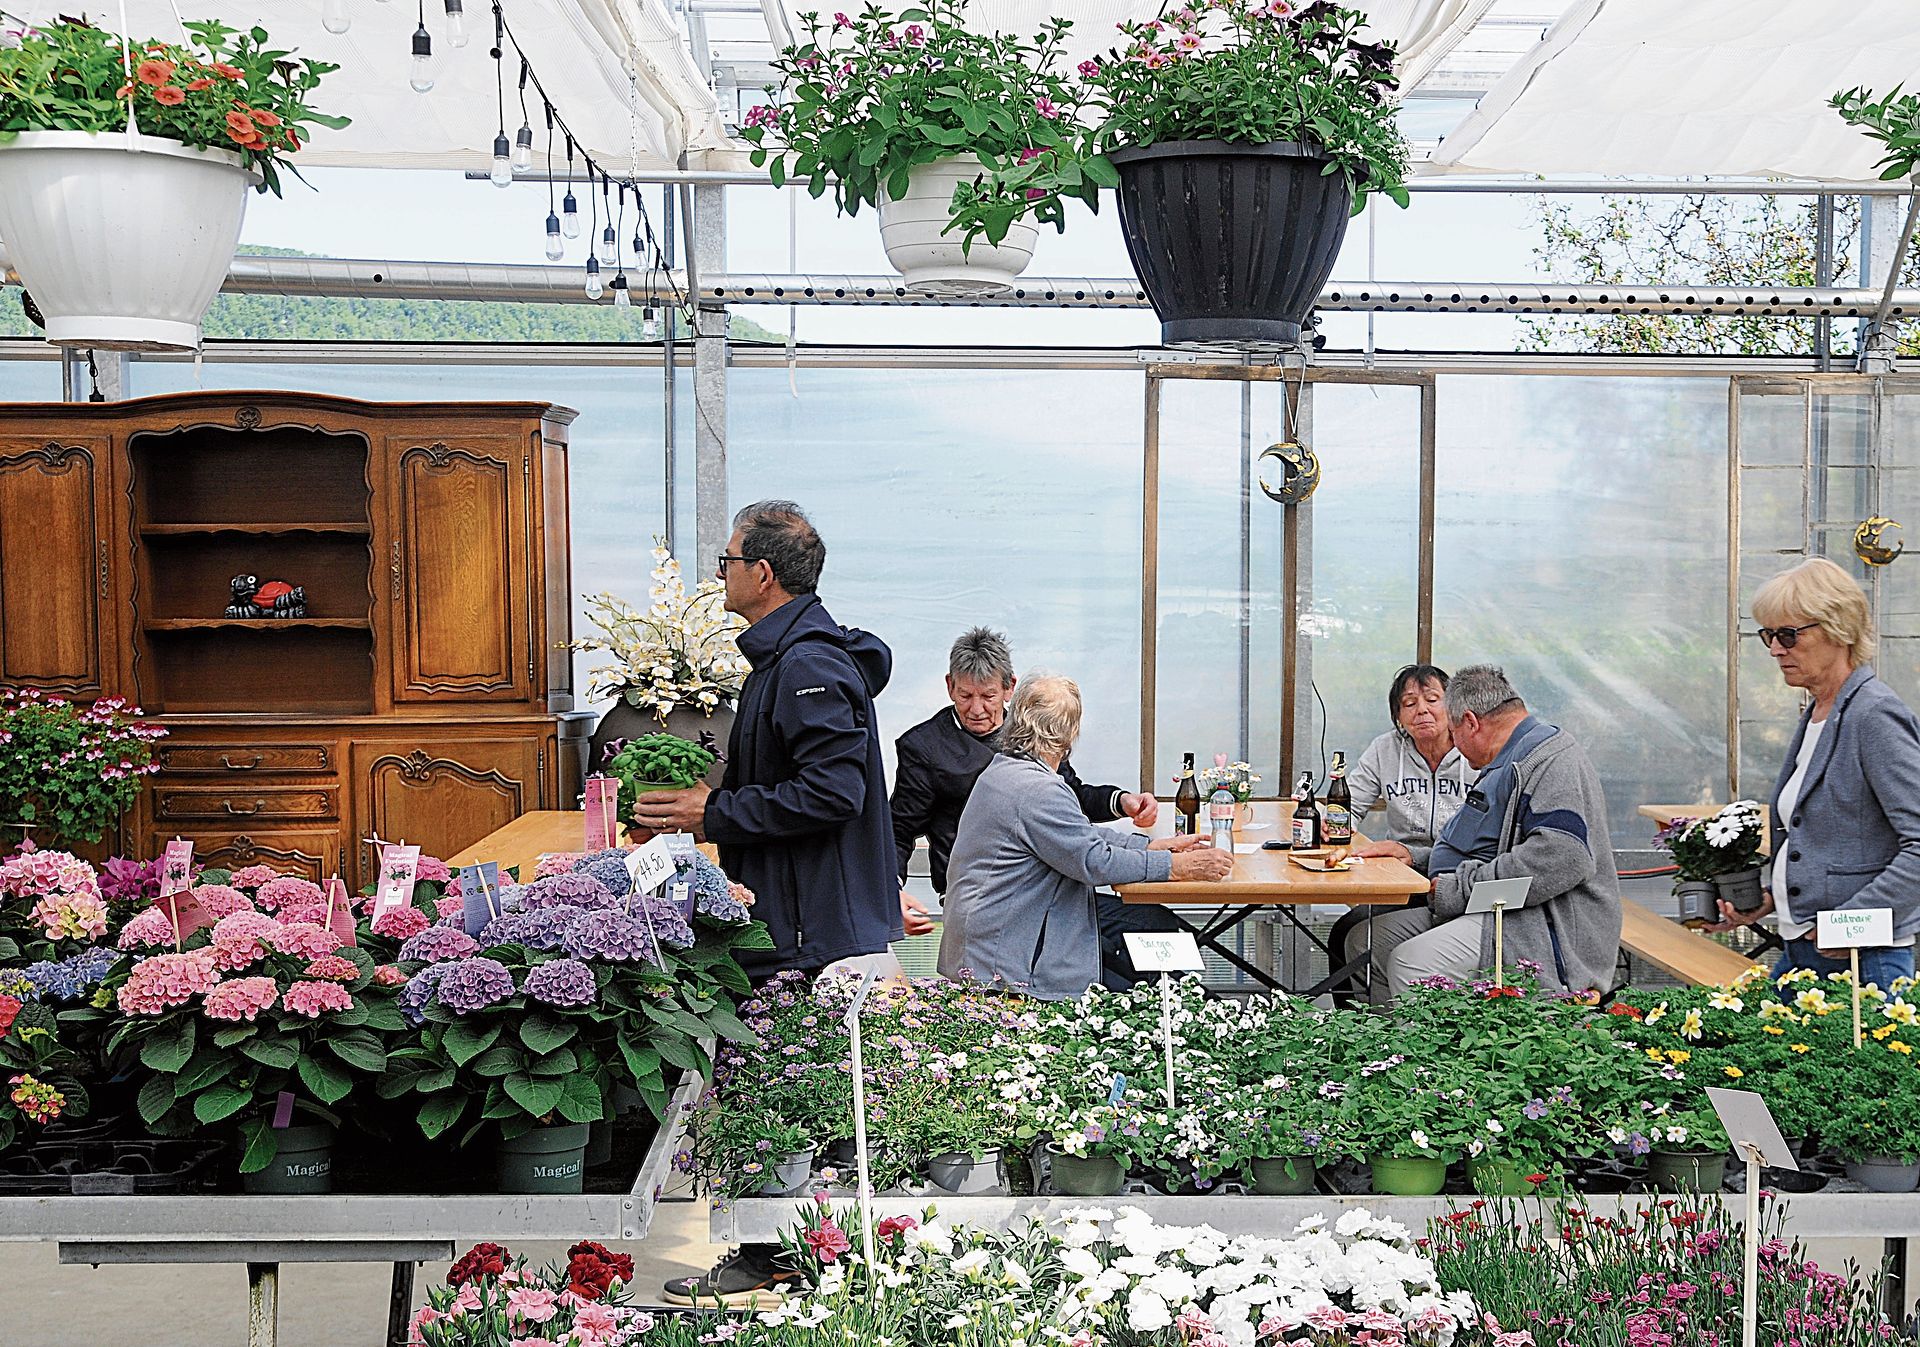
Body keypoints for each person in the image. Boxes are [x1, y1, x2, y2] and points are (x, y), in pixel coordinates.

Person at [645, 500, 901, 1309]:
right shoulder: (790, 657)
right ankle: (789, 1255)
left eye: (726, 561)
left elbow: (833, 789)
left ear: (761, 573)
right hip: (797, 914)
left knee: (773, 1081)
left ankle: (779, 1258)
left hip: (802, 925)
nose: (718, 573)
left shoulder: (805, 665)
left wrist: (712, 813)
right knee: (788, 1085)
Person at [890, 626, 1180, 987]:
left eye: (988, 695)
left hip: (1050, 884)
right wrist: (891, 890)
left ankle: (1158, 1013)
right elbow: (898, 829)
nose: (976, 708)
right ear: (950, 686)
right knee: (1125, 952)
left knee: (1154, 926)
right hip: (994, 900)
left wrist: (1123, 802)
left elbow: (1069, 800)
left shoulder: (1028, 729)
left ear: (1009, 687)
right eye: (965, 695)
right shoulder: (926, 747)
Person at [937, 675, 1231, 999]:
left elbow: (1075, 835)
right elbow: (1094, 862)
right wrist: (1177, 867)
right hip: (1007, 962)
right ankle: (1212, 1017)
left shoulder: (1005, 770)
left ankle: (1191, 1007)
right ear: (1069, 735)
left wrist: (1148, 846)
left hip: (1003, 936)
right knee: (1144, 973)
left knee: (1150, 924)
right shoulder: (1038, 789)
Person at [1706, 558, 1920, 987]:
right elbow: (1829, 840)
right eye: (1769, 635)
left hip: (1863, 961)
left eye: (1789, 635)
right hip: (1808, 947)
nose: (1775, 649)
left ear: (1839, 630)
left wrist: (1848, 924)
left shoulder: (1873, 715)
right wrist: (1770, 900)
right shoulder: (1821, 712)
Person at [1362, 665, 1621, 999]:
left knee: (1411, 963)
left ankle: (1420, 1052)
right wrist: (1416, 858)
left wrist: (1458, 889)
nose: (1454, 745)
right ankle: (1383, 1045)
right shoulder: (1505, 758)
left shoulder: (1551, 759)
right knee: (1371, 942)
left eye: (1454, 735)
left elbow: (1562, 858)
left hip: (1541, 928)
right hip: (1494, 908)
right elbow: (1486, 849)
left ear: (1471, 722)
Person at [1326, 664, 1472, 993]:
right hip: (1403, 879)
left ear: (1453, 706)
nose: (1422, 710)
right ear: (1399, 716)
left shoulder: (1474, 753)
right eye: (1409, 704)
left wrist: (1416, 855)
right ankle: (1355, 1025)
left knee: (1361, 935)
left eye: (1433, 699)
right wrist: (1332, 825)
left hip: (1461, 878)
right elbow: (1349, 804)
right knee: (1344, 933)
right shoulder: (1386, 749)